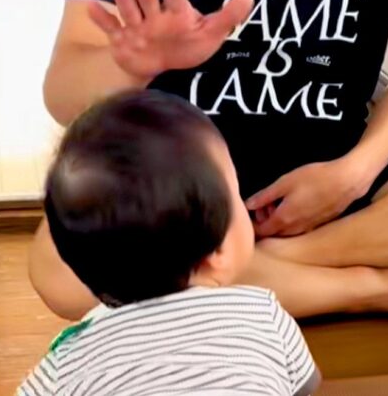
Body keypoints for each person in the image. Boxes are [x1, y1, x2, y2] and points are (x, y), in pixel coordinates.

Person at [31, 0, 388, 320]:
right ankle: (380, 288)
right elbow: (63, 94)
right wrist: (134, 64)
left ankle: (259, 265)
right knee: (60, 270)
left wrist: (354, 173)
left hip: (342, 175)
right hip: (184, 194)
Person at [18, 91, 320, 396]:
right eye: (237, 191)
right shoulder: (263, 315)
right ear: (217, 253)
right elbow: (303, 386)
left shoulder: (65, 364)